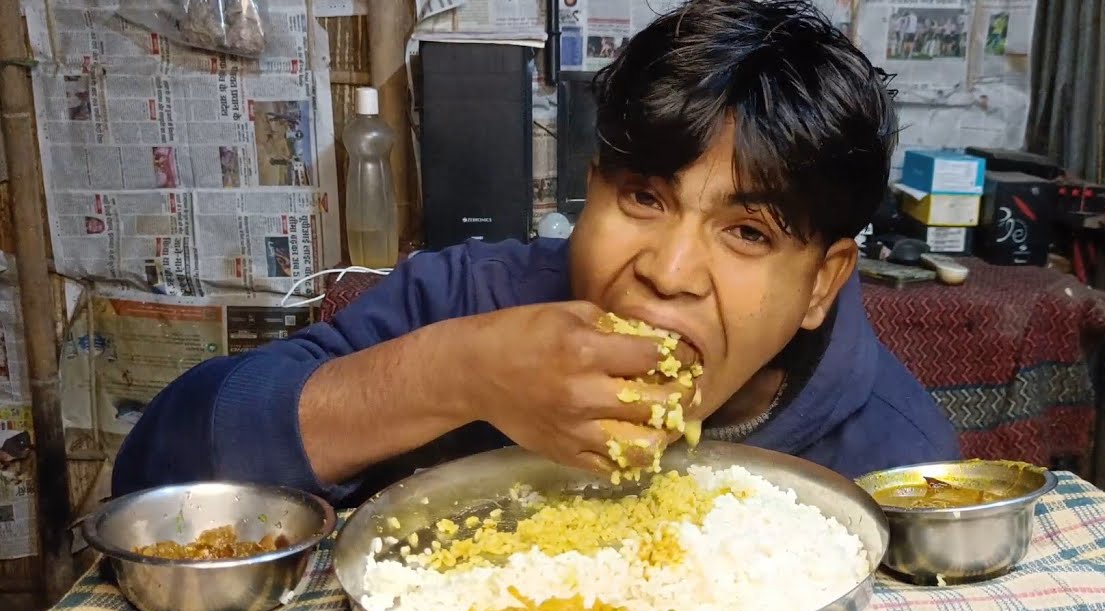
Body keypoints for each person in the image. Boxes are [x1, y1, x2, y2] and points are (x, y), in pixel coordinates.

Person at [111, 0, 959, 507]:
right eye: (644, 198)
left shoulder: (895, 454)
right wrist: (452, 374)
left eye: (748, 233)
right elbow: (156, 476)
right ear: (589, 192)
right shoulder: (460, 300)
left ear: (822, 285)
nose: (667, 272)